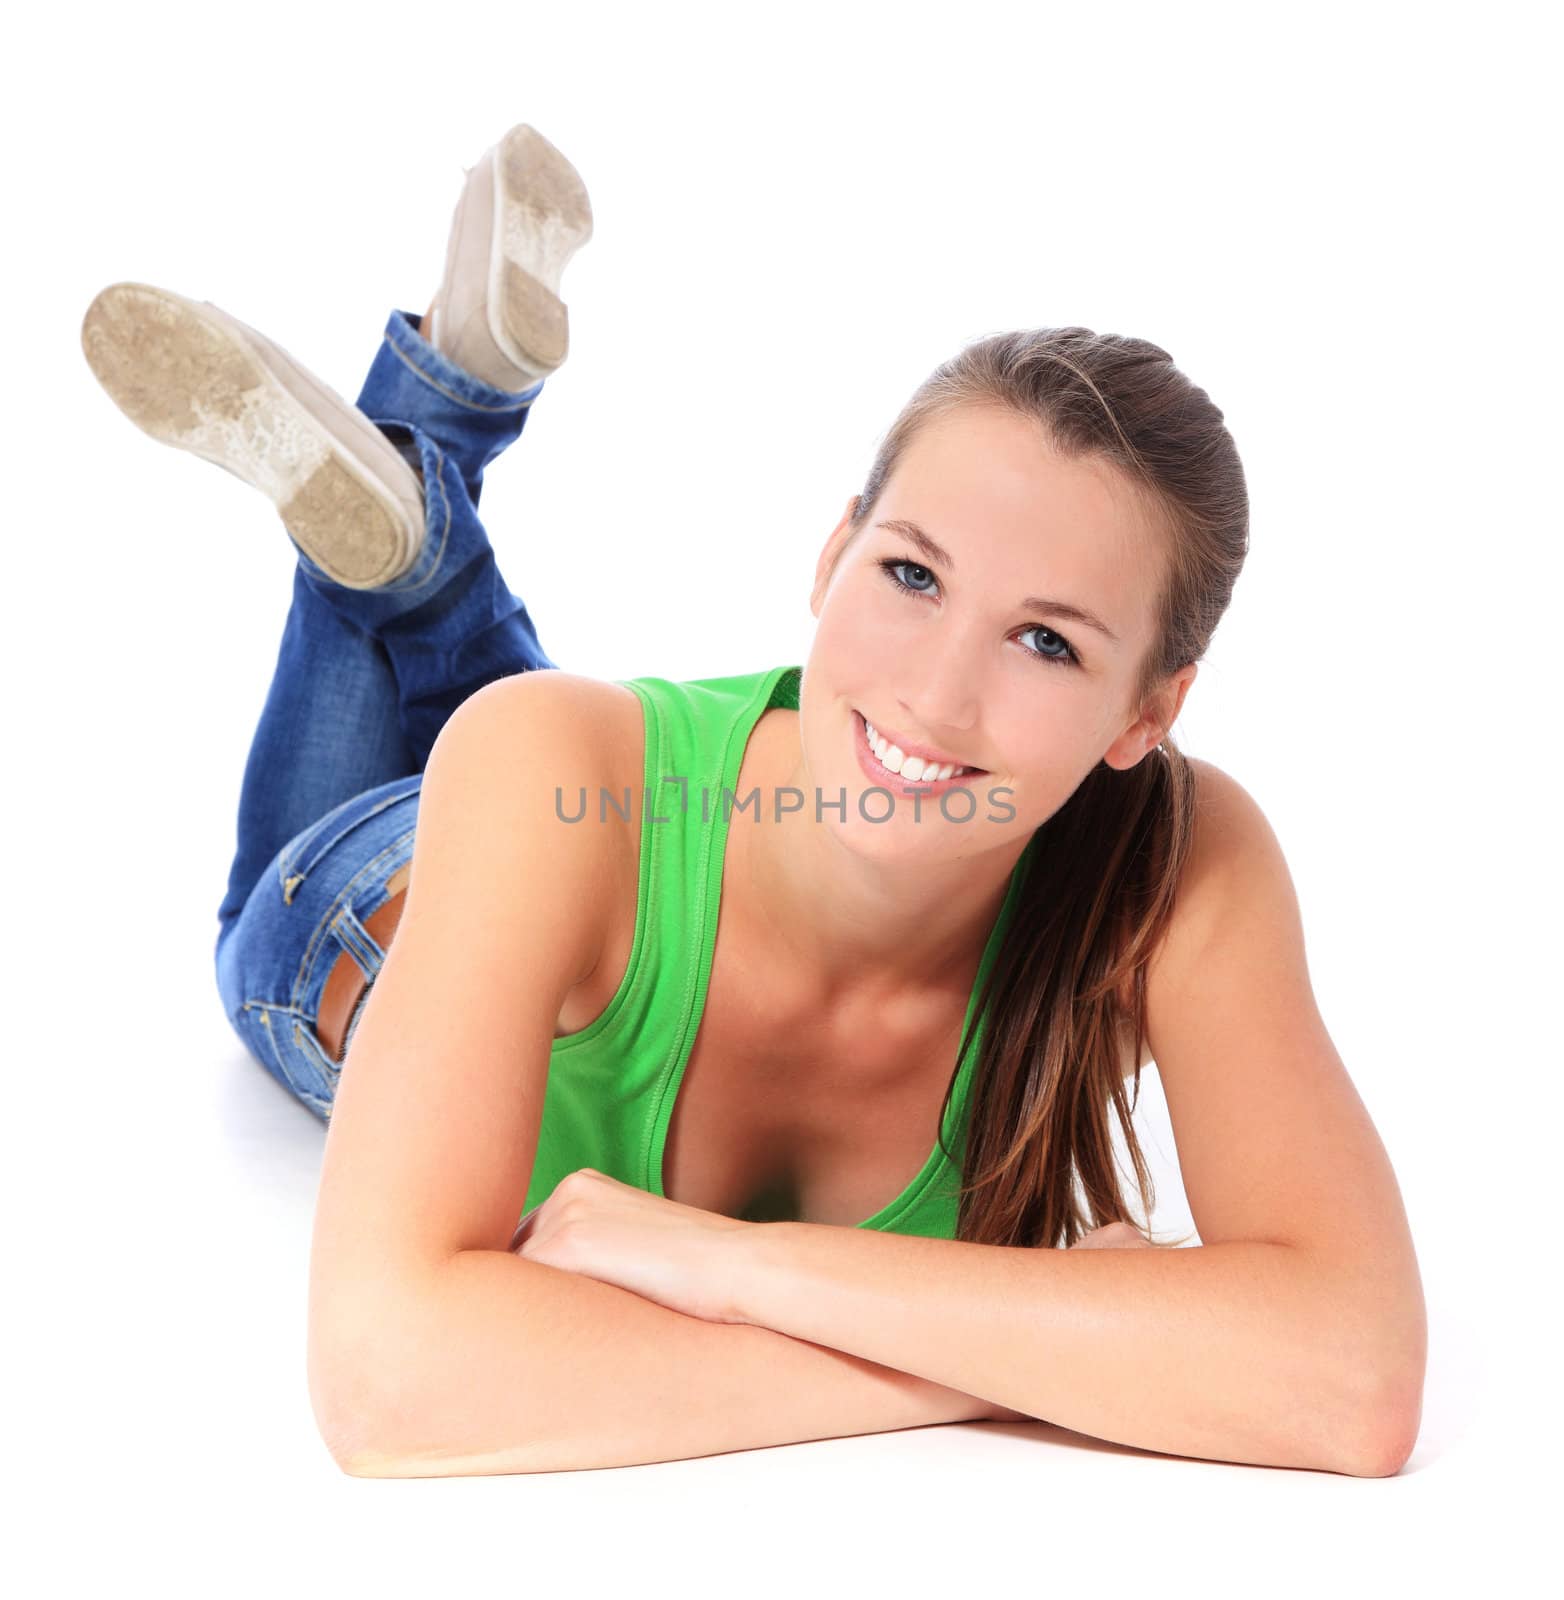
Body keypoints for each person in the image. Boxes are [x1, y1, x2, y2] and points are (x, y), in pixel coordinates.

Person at [81, 121, 1425, 1478]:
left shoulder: (1176, 872)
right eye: (910, 574)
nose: (938, 697)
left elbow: (1353, 1377)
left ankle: (433, 472)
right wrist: (1019, 1367)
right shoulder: (548, 770)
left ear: (1152, 709)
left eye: (1048, 642)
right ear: (834, 552)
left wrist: (734, 1269)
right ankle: (423, 512)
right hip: (368, 910)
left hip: (588, 815)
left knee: (532, 731)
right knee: (422, 805)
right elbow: (386, 1383)